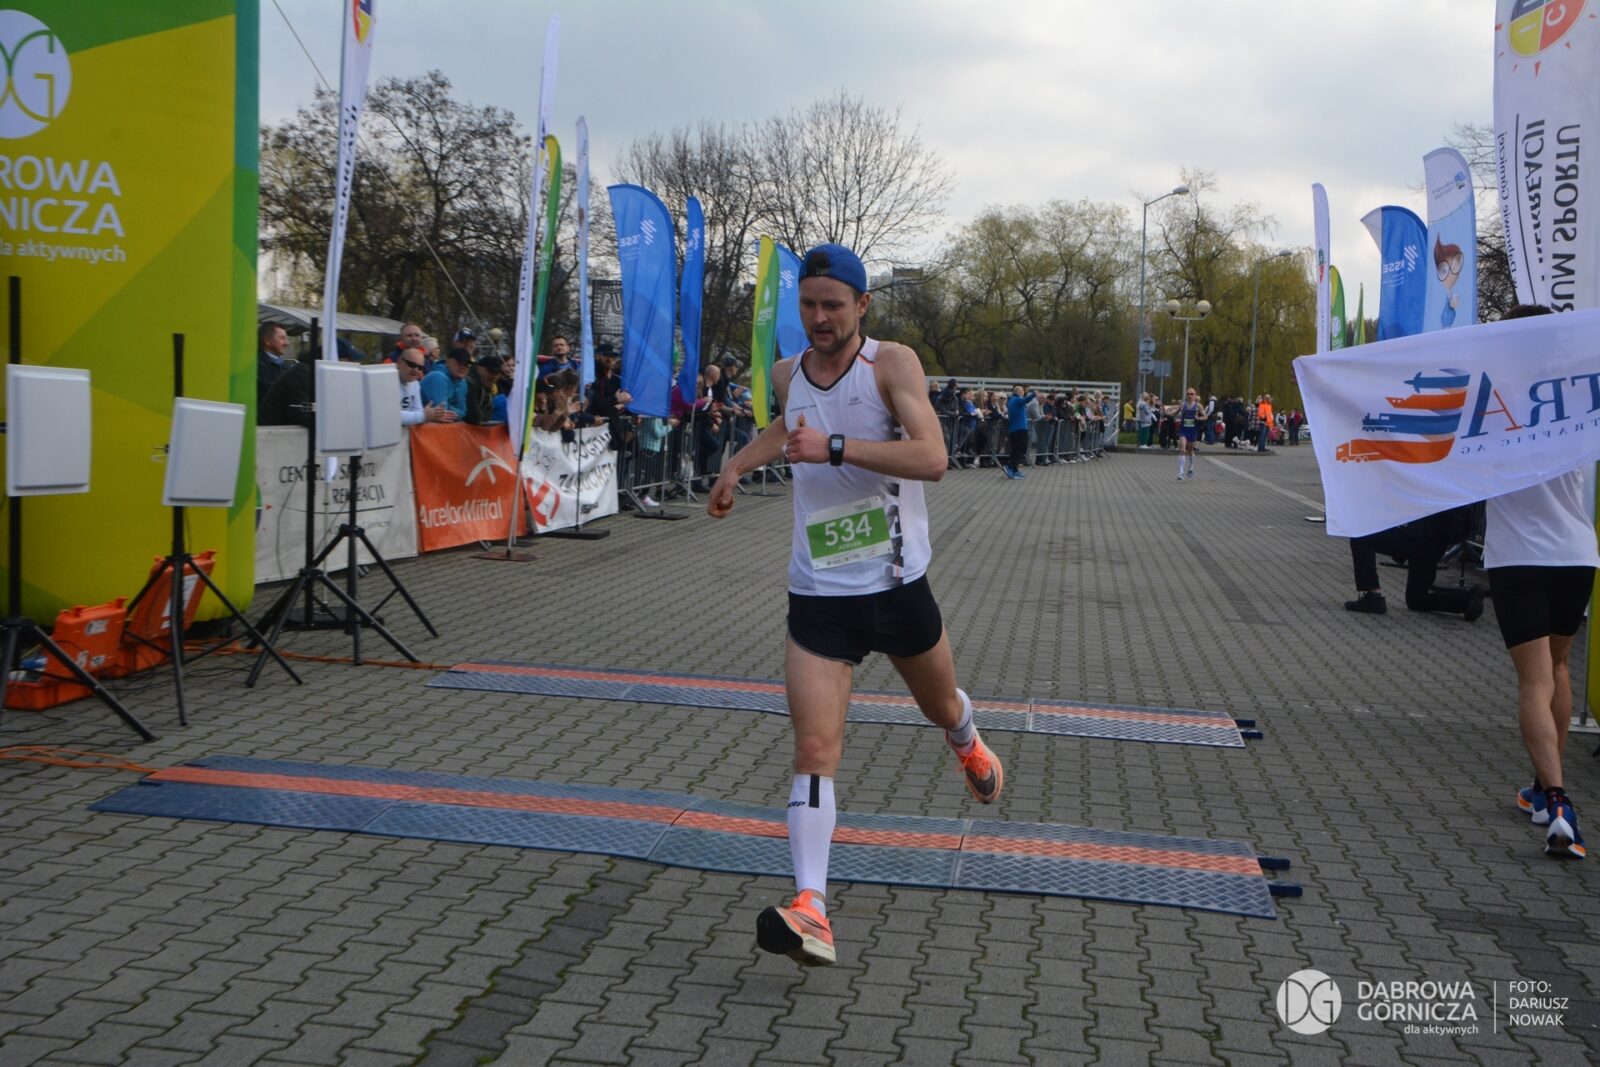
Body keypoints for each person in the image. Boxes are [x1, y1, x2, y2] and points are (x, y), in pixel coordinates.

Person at [706, 242, 1003, 967]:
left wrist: (838, 447)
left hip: (896, 587)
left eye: (833, 305)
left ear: (862, 305)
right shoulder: (788, 374)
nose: (820, 318)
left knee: (939, 705)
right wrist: (736, 465)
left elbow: (933, 457)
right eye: (809, 305)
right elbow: (788, 428)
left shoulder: (890, 365)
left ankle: (966, 738)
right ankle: (811, 906)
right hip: (819, 594)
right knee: (814, 750)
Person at [1491, 304, 1600, 859]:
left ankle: (1557, 801)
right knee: (1557, 669)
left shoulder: (1490, 401)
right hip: (1576, 553)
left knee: (1534, 680)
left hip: (1517, 555)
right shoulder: (1578, 399)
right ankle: (1542, 790)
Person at [1344, 508, 1486, 620]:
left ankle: (1372, 595)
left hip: (1417, 534)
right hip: (1434, 542)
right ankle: (1466, 599)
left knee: (1360, 538)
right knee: (1416, 599)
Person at [396, 346, 456, 426]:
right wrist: (423, 416)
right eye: (411, 365)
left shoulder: (415, 384)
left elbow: (418, 411)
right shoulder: (386, 381)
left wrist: (432, 415)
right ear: (399, 362)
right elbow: (391, 415)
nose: (415, 370)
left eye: (420, 368)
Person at [420, 347, 472, 420]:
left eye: (466, 364)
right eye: (459, 363)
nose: (463, 367)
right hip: (421, 424)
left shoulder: (463, 382)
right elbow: (441, 414)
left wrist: (449, 408)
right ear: (447, 362)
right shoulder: (438, 377)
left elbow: (463, 413)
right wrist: (455, 411)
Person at [1003, 383, 1035, 479]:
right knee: (1020, 449)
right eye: (1023, 391)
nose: (1024, 392)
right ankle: (1010, 466)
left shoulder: (1011, 401)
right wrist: (1033, 394)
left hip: (1014, 429)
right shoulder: (1017, 400)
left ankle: (1015, 469)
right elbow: (1026, 400)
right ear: (1020, 392)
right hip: (1019, 429)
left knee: (1016, 449)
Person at [256, 323, 291, 405]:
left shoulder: (285, 366)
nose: (287, 343)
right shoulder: (257, 365)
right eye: (282, 338)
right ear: (267, 341)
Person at [466, 354, 504, 425]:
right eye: (490, 371)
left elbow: (489, 412)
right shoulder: (469, 383)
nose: (493, 376)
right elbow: (473, 416)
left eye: (496, 373)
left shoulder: (487, 385)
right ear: (479, 368)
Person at [1176, 388, 1203, 480]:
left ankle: (1191, 466)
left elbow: (1205, 416)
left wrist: (1199, 418)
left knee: (1190, 451)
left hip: (1192, 431)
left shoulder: (1198, 406)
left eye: (1192, 394)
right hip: (1183, 430)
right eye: (1188, 394)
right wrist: (1166, 413)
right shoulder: (1182, 405)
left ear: (1195, 395)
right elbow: (1174, 413)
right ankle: (1180, 473)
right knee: (1182, 450)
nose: (1190, 396)